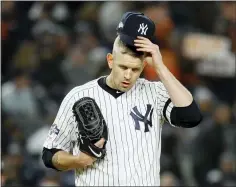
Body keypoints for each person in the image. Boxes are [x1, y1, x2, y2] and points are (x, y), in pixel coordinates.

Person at [42, 12, 202, 186]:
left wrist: (160, 67)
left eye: (135, 69)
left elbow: (191, 116)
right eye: (123, 67)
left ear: (143, 66)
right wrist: (78, 160)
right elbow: (50, 154)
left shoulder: (155, 92)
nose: (128, 75)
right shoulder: (79, 95)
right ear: (110, 61)